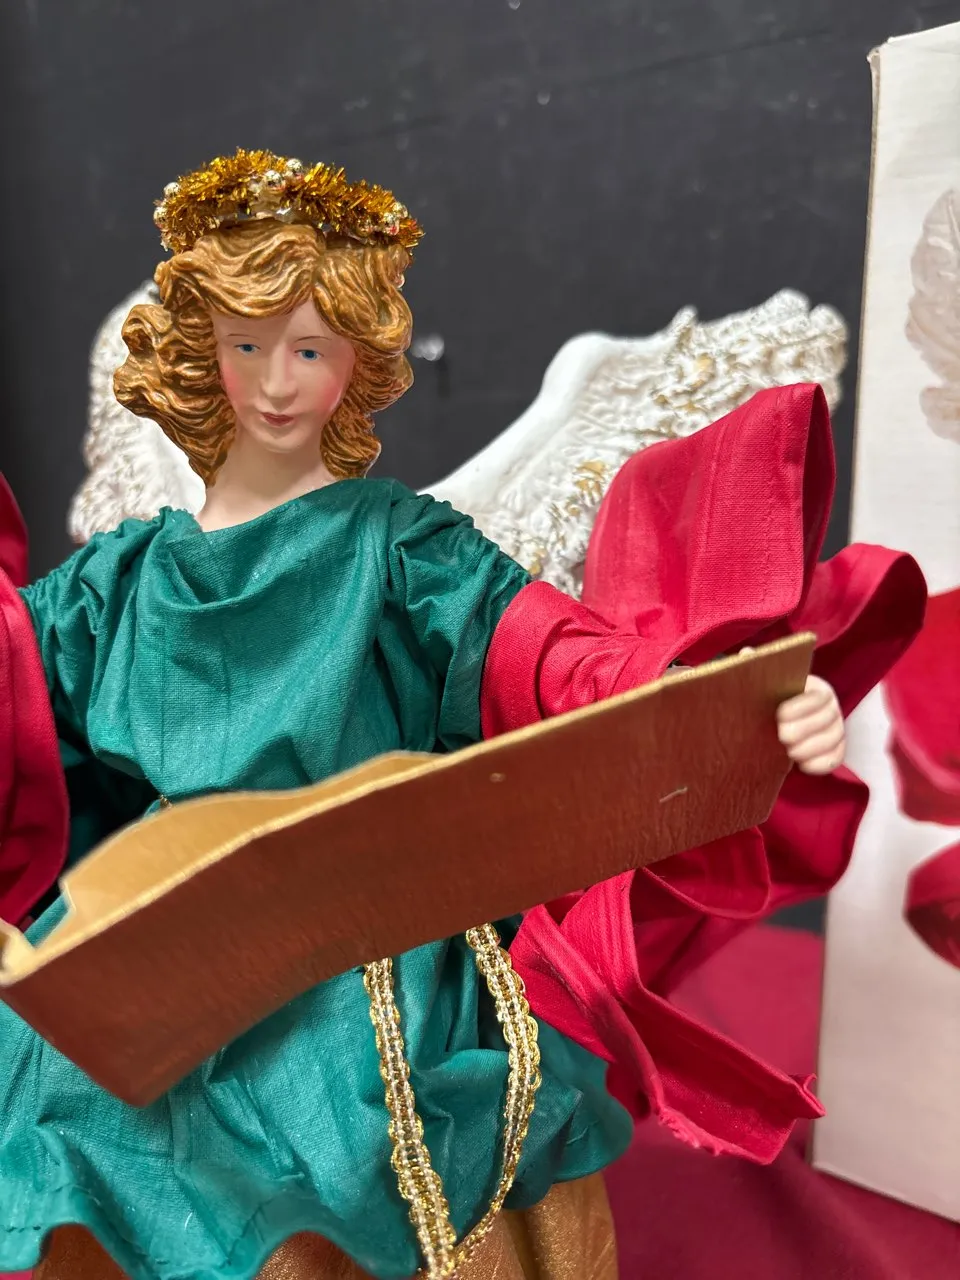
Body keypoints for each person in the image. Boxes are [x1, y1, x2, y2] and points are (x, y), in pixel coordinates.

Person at [0, 150, 925, 1280]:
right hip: (155, 940)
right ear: (203, 353)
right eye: (248, 346)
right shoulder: (119, 581)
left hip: (361, 949)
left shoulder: (401, 549)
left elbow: (565, 663)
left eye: (310, 349)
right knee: (71, 1107)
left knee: (334, 1157)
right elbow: (15, 689)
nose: (279, 381)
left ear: (355, 361)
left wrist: (736, 699)